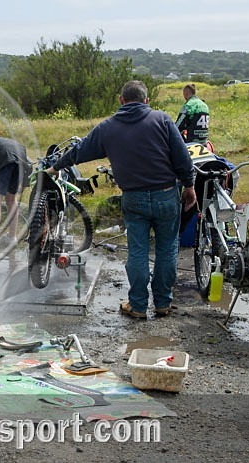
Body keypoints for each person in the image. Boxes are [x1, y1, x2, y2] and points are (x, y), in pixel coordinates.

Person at [46, 80, 196, 319]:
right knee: (167, 248)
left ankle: (137, 306)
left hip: (133, 198)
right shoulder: (162, 120)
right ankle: (163, 303)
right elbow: (182, 158)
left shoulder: (108, 127)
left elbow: (79, 150)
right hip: (166, 194)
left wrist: (55, 167)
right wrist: (189, 185)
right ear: (147, 101)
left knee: (137, 250)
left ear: (121, 100)